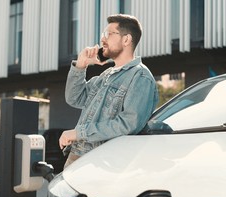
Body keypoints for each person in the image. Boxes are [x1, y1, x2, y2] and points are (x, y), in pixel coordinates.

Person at [59, 14, 159, 168]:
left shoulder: (140, 76)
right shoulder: (106, 75)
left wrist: (79, 133)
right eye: (102, 35)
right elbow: (74, 98)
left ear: (126, 40)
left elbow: (128, 124)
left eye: (108, 34)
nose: (102, 40)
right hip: (78, 156)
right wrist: (80, 65)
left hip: (102, 162)